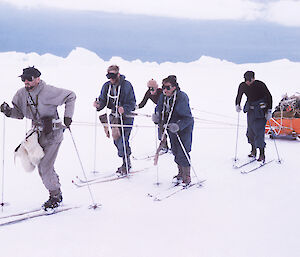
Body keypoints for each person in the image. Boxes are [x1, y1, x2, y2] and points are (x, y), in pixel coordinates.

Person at [0, 66, 76, 210]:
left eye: (30, 79)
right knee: (41, 166)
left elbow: (71, 96)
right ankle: (54, 186)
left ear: (38, 79)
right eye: (24, 79)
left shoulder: (48, 91)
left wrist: (67, 117)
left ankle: (56, 196)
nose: (26, 82)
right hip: (36, 134)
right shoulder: (21, 94)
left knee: (44, 167)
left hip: (53, 133)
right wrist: (8, 112)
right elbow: (19, 113)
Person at [93, 65, 136, 175]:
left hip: (126, 117)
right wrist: (98, 105)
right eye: (109, 76)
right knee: (117, 140)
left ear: (118, 74)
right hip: (114, 118)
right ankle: (125, 160)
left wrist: (124, 108)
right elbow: (103, 100)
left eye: (113, 76)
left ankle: (126, 164)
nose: (111, 79)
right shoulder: (106, 86)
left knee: (123, 140)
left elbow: (132, 102)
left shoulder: (127, 85)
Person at [152, 75, 194, 186]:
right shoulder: (163, 96)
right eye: (163, 87)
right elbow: (159, 109)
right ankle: (180, 173)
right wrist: (157, 116)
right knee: (175, 151)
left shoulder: (181, 97)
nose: (165, 90)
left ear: (174, 87)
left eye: (168, 87)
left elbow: (188, 118)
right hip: (171, 127)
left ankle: (187, 176)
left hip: (183, 128)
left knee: (183, 151)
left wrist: (178, 126)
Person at [235, 71, 272, 162]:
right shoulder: (243, 85)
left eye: (249, 80)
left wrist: (269, 110)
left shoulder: (260, 85)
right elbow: (239, 95)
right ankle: (253, 150)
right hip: (251, 110)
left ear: (253, 78)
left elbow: (269, 96)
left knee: (259, 132)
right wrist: (237, 104)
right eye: (246, 80)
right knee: (250, 131)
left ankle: (262, 154)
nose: (247, 82)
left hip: (260, 111)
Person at [136, 79, 169, 151]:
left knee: (169, 129)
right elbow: (142, 103)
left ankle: (174, 148)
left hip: (167, 111)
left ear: (156, 87)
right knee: (160, 131)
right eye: (149, 88)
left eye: (153, 88)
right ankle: (164, 146)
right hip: (159, 112)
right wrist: (134, 107)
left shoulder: (161, 92)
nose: (151, 90)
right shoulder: (148, 93)